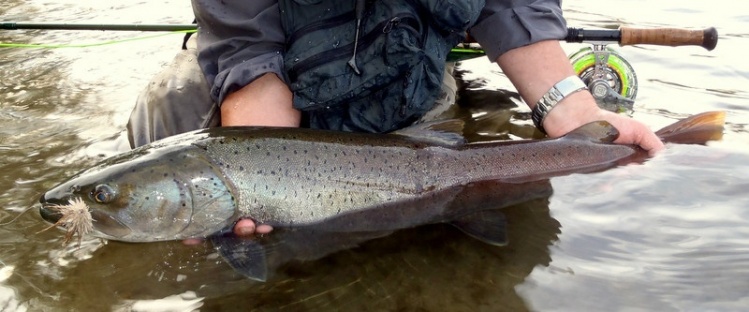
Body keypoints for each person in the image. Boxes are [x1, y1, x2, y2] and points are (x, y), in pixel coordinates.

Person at [127, 0, 664, 238]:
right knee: (164, 111)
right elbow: (247, 50)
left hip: (406, 65)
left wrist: (574, 111)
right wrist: (259, 184)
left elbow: (511, 3)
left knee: (513, 233)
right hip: (281, 78)